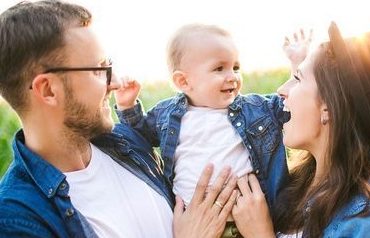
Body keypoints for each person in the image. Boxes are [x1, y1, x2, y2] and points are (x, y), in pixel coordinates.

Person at [0, 1, 237, 237]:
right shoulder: (18, 219)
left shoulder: (128, 143)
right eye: (98, 70)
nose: (114, 82)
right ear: (48, 90)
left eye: (109, 66)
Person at [231, 22, 370, 237]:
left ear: (328, 108)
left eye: (297, 79)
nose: (281, 90)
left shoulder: (369, 219)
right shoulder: (299, 184)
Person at [114, 24, 309, 222]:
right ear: (183, 81)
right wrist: (127, 105)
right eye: (219, 68)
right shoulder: (168, 115)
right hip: (194, 223)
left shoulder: (255, 109)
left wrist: (298, 65)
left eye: (236, 67)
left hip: (249, 220)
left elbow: (289, 105)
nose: (232, 76)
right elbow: (139, 136)